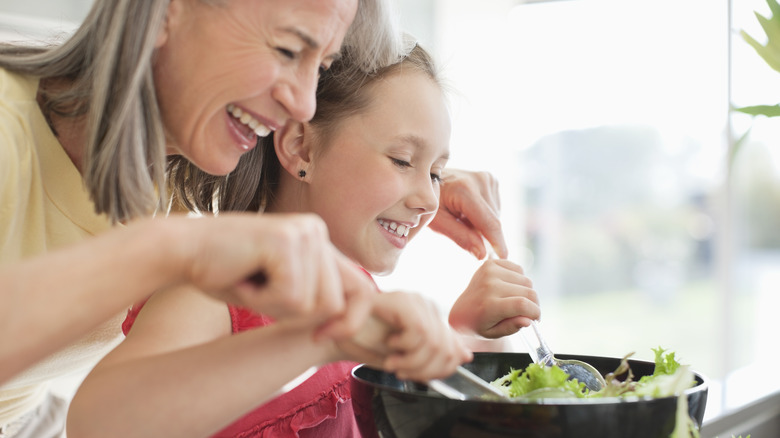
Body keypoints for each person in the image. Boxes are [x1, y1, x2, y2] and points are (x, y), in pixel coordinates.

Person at [0, 0, 510, 436]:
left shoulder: (166, 164)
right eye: (288, 49)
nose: (301, 102)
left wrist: (413, 181)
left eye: (320, 64)